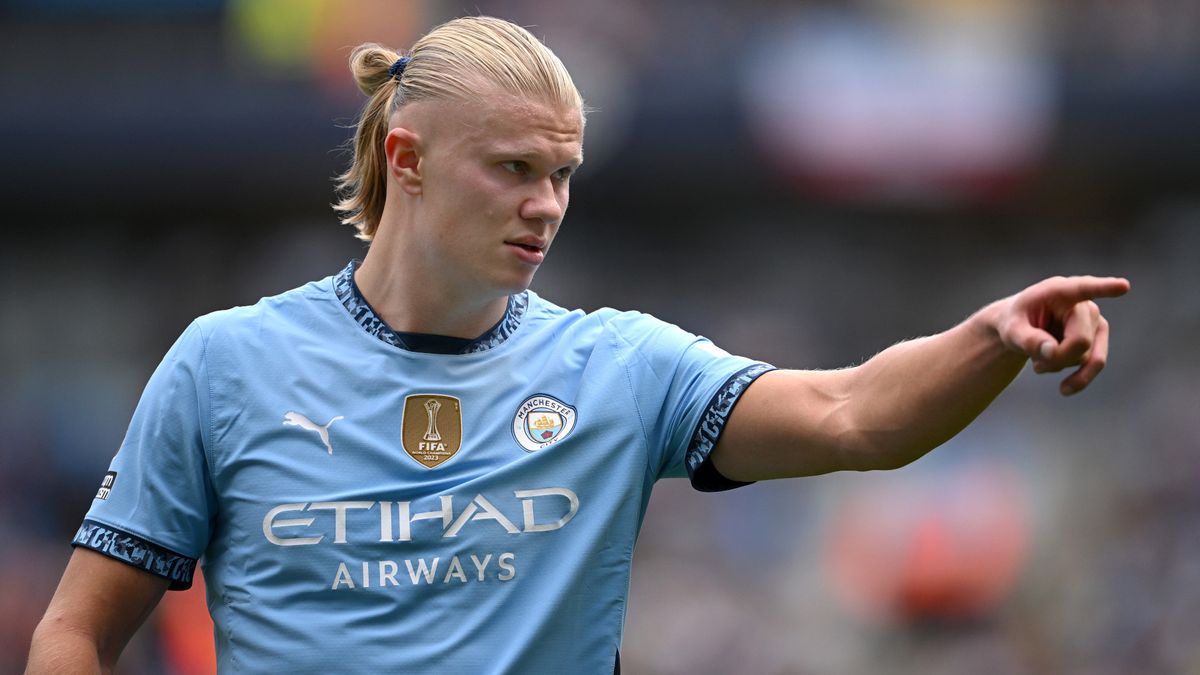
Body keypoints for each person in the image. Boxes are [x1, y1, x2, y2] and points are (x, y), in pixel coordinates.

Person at [26, 15, 1128, 675]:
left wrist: (991, 337)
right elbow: (76, 632)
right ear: (407, 160)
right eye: (514, 168)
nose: (547, 204)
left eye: (562, 174)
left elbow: (855, 416)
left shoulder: (620, 368)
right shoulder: (225, 363)